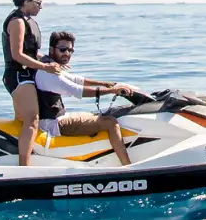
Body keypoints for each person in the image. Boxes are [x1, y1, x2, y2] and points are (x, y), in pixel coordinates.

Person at [34, 30, 135, 166]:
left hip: (56, 118)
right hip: (53, 125)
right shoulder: (48, 72)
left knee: (100, 115)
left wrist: (104, 83)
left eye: (70, 50)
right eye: (63, 49)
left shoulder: (49, 65)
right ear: (52, 50)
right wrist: (112, 91)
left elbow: (75, 79)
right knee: (110, 122)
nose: (67, 53)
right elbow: (77, 90)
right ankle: (127, 166)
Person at [3, 0, 62, 166]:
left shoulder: (29, 21)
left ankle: (18, 155)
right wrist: (44, 68)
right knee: (32, 119)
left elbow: (32, 53)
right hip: (18, 76)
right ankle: (24, 167)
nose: (40, 7)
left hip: (27, 74)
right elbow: (17, 55)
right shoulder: (17, 22)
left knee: (23, 120)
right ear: (26, 1)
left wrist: (51, 62)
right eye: (38, 3)